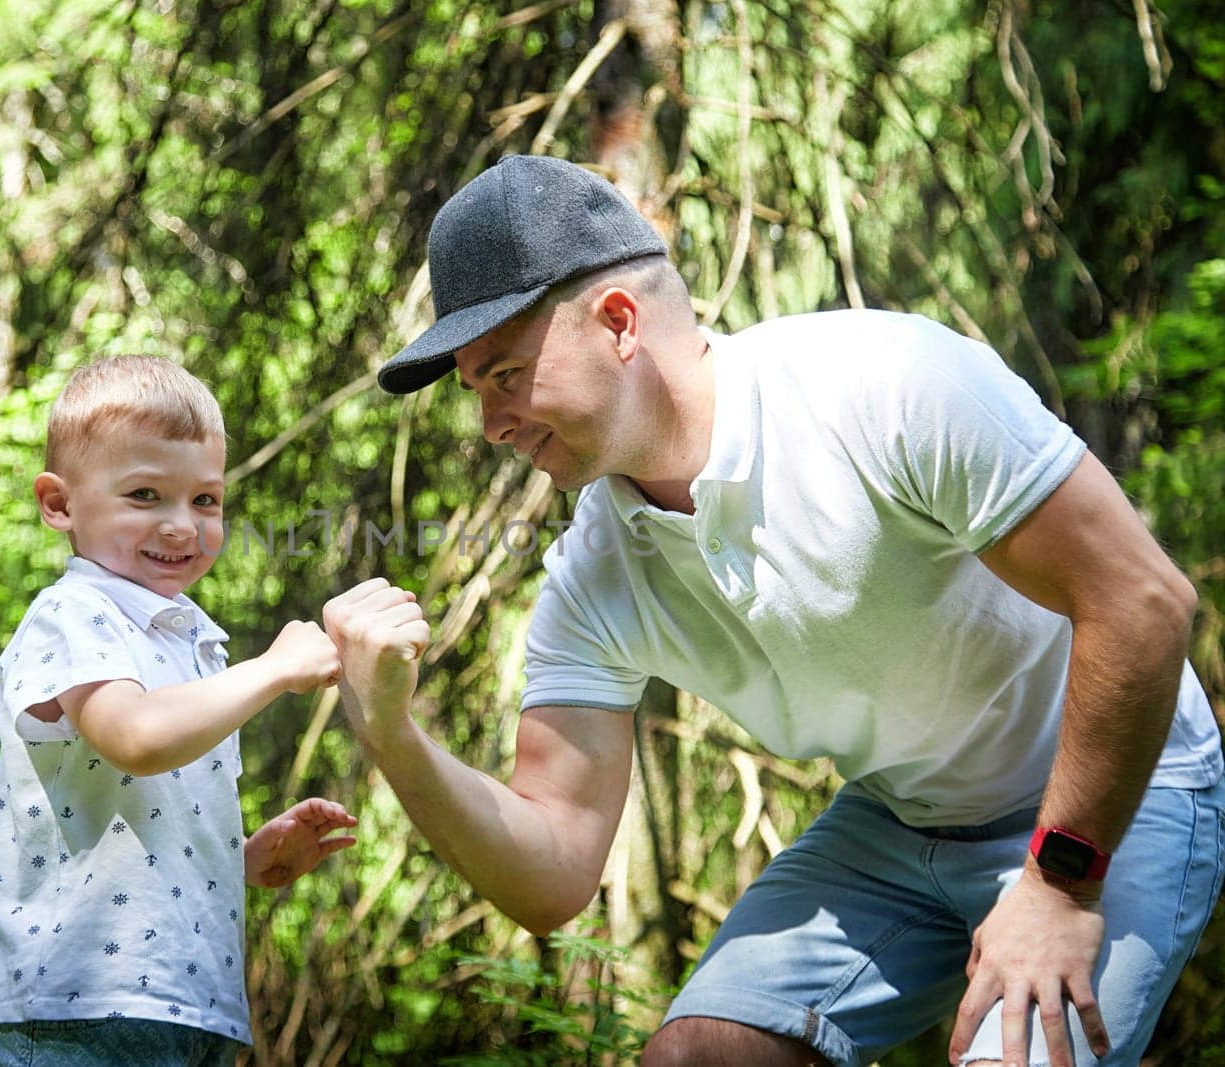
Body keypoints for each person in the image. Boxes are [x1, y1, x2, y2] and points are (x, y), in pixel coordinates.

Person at [321, 155, 1225, 1067]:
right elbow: (553, 869)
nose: (491, 424)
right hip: (902, 821)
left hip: (1119, 789)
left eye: (506, 372)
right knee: (696, 1058)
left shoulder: (885, 385)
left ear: (619, 323)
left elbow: (1143, 603)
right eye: (475, 390)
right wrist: (393, 733)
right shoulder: (593, 575)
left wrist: (1058, 885)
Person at [0, 355, 356, 1066]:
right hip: (81, 1006)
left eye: (205, 499)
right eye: (146, 494)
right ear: (59, 504)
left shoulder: (190, 639)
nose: (183, 526)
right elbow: (137, 737)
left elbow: (139, 811)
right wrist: (271, 669)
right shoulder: (72, 614)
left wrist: (237, 859)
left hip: (191, 1000)